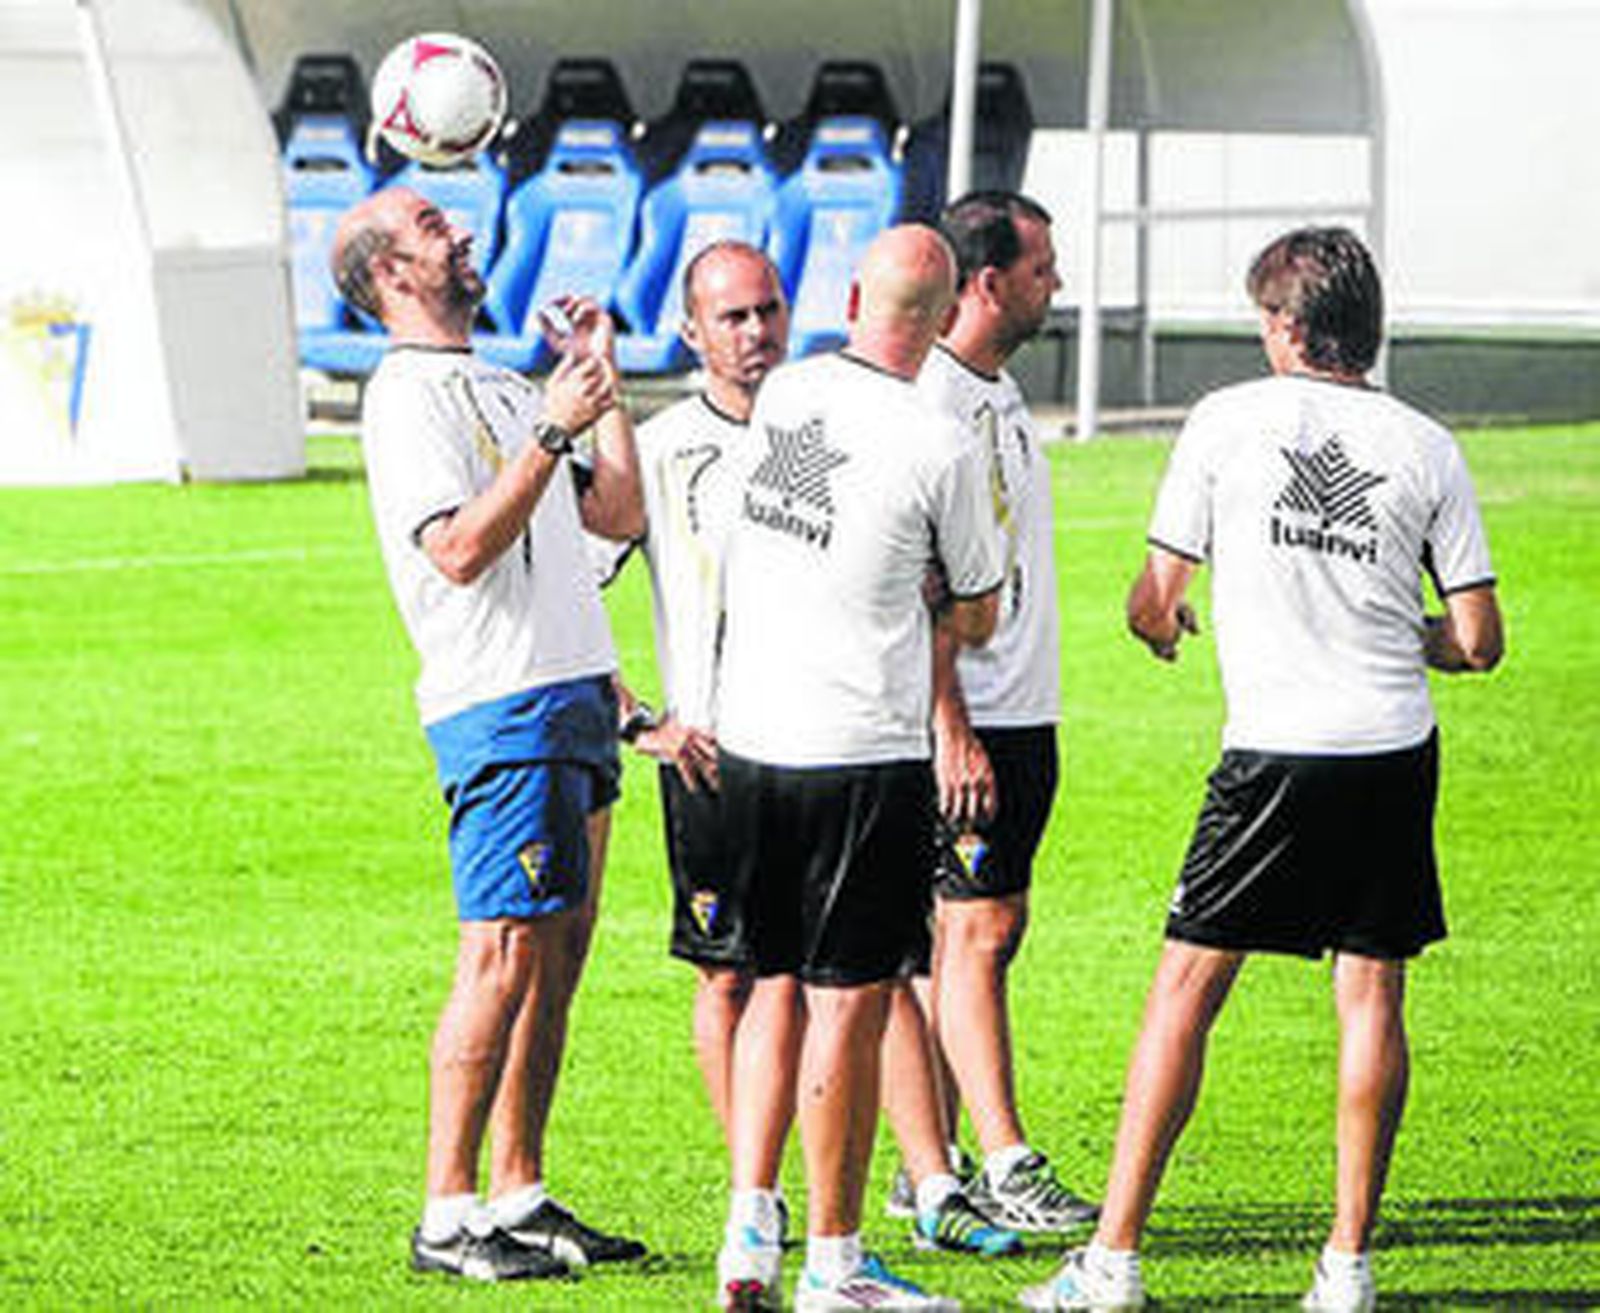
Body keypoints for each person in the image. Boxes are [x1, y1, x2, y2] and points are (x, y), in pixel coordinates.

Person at [1020, 226, 1504, 1312]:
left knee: (1185, 992)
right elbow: (1477, 637)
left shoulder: (1225, 418)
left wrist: (1166, 620)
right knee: (1371, 993)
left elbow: (1153, 598)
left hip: (1271, 751)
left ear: (1284, 327)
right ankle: (1344, 1268)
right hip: (1388, 746)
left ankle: (1112, 1263)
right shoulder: (1428, 443)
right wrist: (1392, 628)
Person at [332, 186, 649, 1282]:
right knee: (500, 951)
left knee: (553, 961)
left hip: (569, 695)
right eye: (429, 225)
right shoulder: (406, 396)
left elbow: (613, 515)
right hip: (500, 701)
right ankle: (447, 1210)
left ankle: (519, 1188)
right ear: (390, 273)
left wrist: (595, 386)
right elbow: (459, 549)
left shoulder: (503, 384)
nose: (458, 228)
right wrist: (554, 425)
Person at [713, 224, 1005, 1312]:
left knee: (771, 981)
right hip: (859, 748)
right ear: (940, 324)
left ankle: (750, 1228)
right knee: (850, 999)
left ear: (849, 296)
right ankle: (835, 1263)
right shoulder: (940, 442)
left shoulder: (786, 393)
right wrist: (938, 587)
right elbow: (977, 606)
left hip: (750, 738)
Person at [880, 191, 1096, 1244]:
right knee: (975, 926)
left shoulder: (993, 394)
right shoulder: (933, 405)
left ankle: (933, 1166)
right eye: (1042, 266)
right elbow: (918, 580)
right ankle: (1004, 1160)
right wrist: (949, 721)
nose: (1055, 283)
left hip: (1022, 706)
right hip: (975, 714)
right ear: (985, 281)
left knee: (962, 939)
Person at [611, 241, 798, 1185]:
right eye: (733, 316)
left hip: (825, 750)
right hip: (711, 760)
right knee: (728, 972)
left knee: (857, 979)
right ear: (691, 330)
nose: (757, 330)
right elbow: (562, 590)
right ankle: (751, 1190)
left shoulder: (826, 429)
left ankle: (922, 1171)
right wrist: (638, 722)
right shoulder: (657, 449)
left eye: (769, 308)